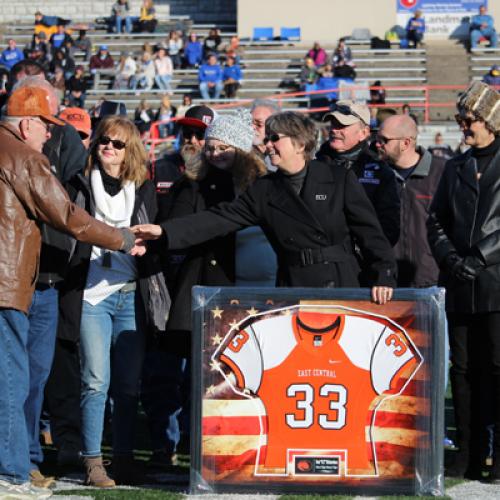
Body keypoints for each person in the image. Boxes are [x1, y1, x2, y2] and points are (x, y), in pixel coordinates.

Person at [0, 85, 140, 498]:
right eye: (46, 126)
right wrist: (120, 238)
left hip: (14, 282)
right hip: (8, 282)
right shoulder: (24, 157)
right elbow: (66, 215)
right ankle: (10, 472)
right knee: (13, 378)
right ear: (27, 124)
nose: (50, 135)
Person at [133, 111, 397, 304]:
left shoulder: (338, 179)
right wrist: (163, 231)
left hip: (340, 284)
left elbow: (370, 232)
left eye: (275, 138)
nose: (267, 144)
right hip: (293, 290)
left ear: (300, 144)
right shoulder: (265, 189)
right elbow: (217, 219)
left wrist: (383, 274)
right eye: (267, 137)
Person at [142, 110, 269, 468]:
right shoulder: (192, 184)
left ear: (242, 147)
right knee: (192, 377)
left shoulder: (262, 186)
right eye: (210, 147)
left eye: (222, 147)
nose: (213, 154)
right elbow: (178, 227)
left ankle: (238, 446)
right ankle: (183, 445)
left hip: (249, 291)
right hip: (199, 290)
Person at [58, 116, 168, 487]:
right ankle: (93, 462)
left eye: (118, 143)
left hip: (130, 294)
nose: (108, 146)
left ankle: (122, 457)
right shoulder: (78, 183)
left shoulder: (143, 188)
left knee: (128, 385)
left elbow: (156, 235)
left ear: (130, 150)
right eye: (104, 140)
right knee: (95, 380)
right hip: (91, 294)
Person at [427, 81, 500, 481]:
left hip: (495, 284)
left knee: (497, 368)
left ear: (490, 120)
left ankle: (497, 454)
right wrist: (451, 258)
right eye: (461, 118)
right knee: (464, 373)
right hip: (459, 284)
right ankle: (468, 454)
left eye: (469, 118)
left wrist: (479, 257)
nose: (463, 126)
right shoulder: (454, 166)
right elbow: (435, 219)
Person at [316, 100, 400, 247]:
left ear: (364, 133)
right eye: (333, 124)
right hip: (322, 263)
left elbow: (389, 229)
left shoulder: (381, 173)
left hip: (363, 264)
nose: (335, 130)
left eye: (343, 125)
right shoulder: (314, 167)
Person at [376, 114, 445, 286]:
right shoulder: (377, 175)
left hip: (432, 281)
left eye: (384, 140)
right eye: (377, 138)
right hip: (388, 283)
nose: (377, 144)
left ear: (406, 143)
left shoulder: (443, 172)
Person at [152, 104, 215, 216]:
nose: (192, 140)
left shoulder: (222, 172)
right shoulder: (157, 169)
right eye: (188, 133)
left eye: (200, 134)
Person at [250, 98, 280, 167]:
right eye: (249, 122)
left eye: (259, 124)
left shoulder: (282, 156)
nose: (252, 127)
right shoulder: (239, 154)